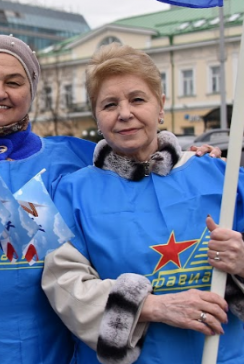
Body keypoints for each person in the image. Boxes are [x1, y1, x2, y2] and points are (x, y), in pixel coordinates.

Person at [41, 43, 244, 364]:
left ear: (160, 105)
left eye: (137, 99)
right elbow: (63, 284)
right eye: (109, 104)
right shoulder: (73, 192)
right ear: (97, 115)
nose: (125, 113)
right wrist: (152, 307)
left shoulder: (222, 175)